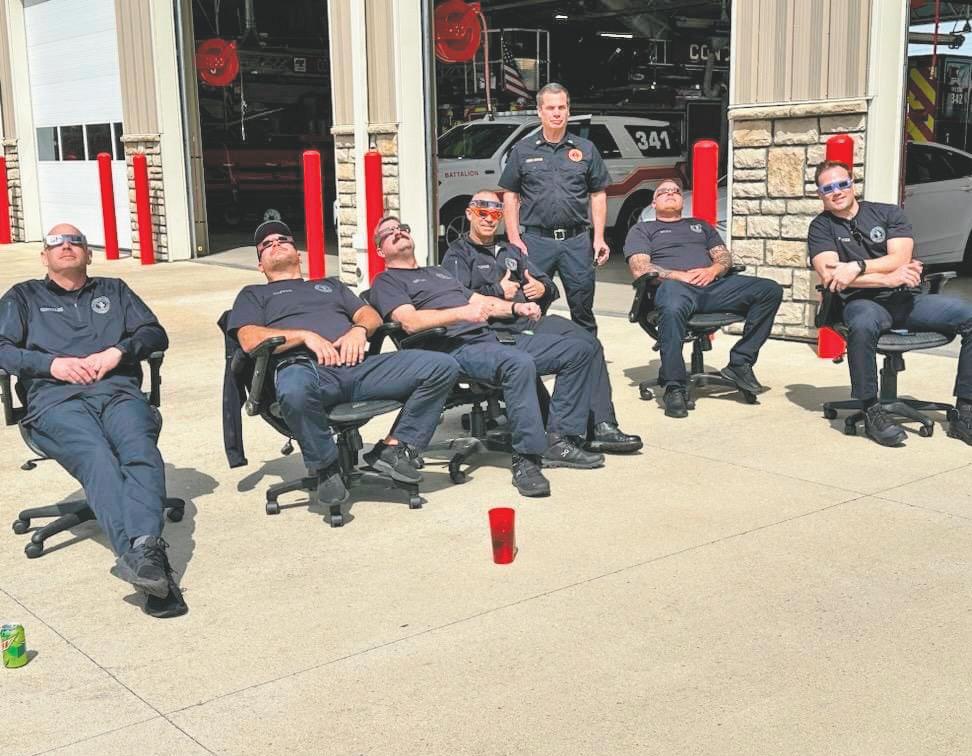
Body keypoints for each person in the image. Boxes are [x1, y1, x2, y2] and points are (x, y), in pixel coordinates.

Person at [0, 224, 185, 617]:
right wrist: (51, 364)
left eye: (75, 241)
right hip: (55, 399)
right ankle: (146, 560)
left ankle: (143, 555)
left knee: (140, 450)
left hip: (117, 392)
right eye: (55, 241)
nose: (66, 245)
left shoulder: (114, 290)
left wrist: (119, 352)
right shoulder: (23, 297)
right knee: (97, 457)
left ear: (88, 253)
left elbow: (155, 334)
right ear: (44, 256)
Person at [368, 216, 606, 499]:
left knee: (579, 350)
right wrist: (461, 314)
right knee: (518, 363)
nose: (398, 232)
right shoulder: (387, 281)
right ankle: (527, 459)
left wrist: (516, 309)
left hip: (490, 338)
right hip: (451, 348)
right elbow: (410, 322)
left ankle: (558, 439)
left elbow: (481, 302)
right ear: (380, 250)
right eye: (389, 232)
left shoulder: (438, 273)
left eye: (402, 228)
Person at [226, 220, 460, 503]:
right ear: (260, 265)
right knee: (294, 388)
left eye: (283, 240)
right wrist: (305, 336)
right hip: (306, 371)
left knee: (441, 366)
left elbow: (369, 315)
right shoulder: (253, 294)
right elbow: (249, 339)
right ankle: (326, 467)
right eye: (266, 244)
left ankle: (392, 448)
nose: (276, 244)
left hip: (358, 367)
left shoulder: (330, 285)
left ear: (298, 254)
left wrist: (358, 330)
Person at [441, 190, 641, 453]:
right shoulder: (458, 255)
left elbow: (548, 285)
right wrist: (498, 291)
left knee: (590, 342)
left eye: (496, 213)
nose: (489, 219)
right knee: (575, 353)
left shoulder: (511, 250)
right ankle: (563, 434)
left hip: (527, 321)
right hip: (494, 331)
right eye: (483, 212)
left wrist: (541, 287)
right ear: (469, 214)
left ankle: (602, 425)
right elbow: (457, 301)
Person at [808, 160, 972, 447]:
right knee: (861, 324)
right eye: (828, 188)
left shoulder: (887, 213)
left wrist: (856, 267)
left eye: (842, 184)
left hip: (905, 301)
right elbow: (831, 275)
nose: (837, 192)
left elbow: (900, 258)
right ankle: (872, 411)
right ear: (820, 194)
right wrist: (887, 278)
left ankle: (965, 413)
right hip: (860, 303)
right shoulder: (821, 227)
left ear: (853, 184)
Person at [623, 178, 784, 418]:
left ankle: (740, 363)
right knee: (671, 303)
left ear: (682, 201)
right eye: (663, 192)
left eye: (676, 191)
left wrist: (713, 270)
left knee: (769, 290)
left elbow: (724, 257)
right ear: (654, 203)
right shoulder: (643, 230)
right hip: (674, 288)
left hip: (712, 286)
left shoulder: (700, 226)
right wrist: (679, 275)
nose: (671, 193)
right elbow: (640, 268)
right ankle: (674, 386)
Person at [499, 82, 610, 334]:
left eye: (561, 107)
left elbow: (598, 194)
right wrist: (514, 238)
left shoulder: (586, 149)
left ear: (569, 111)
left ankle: (587, 356)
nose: (557, 113)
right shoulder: (522, 150)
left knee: (582, 310)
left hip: (577, 242)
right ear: (540, 111)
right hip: (536, 243)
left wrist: (599, 237)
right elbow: (510, 196)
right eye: (550, 108)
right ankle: (531, 357)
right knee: (530, 309)